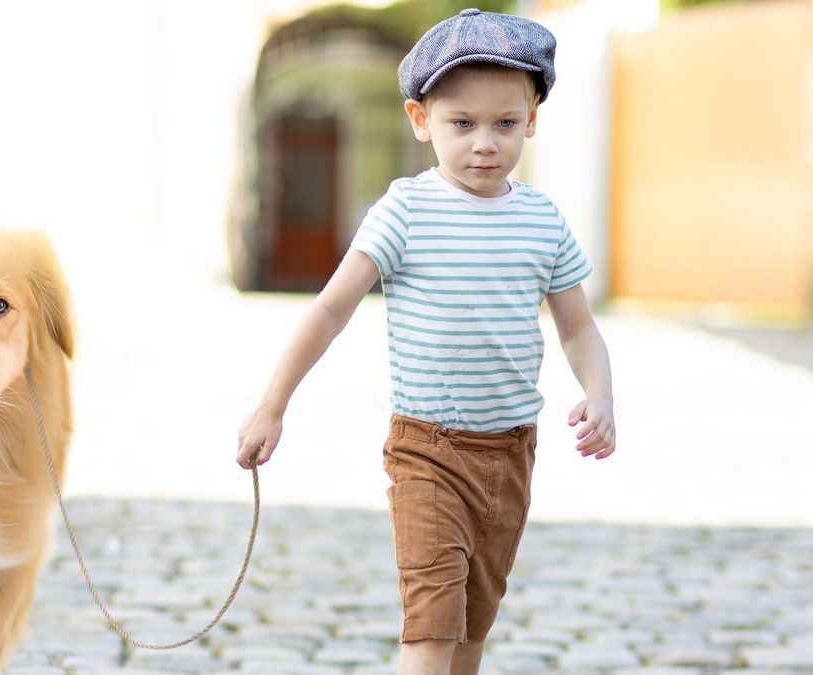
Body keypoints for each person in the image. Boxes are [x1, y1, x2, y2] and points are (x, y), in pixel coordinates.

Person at [236, 8, 616, 675]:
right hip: (428, 450)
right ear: (421, 120)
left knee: (470, 633)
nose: (484, 144)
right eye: (461, 124)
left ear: (531, 119)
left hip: (509, 457)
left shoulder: (540, 220)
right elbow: (329, 309)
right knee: (432, 627)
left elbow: (578, 325)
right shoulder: (405, 211)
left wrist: (599, 392)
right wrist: (273, 402)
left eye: (504, 123)